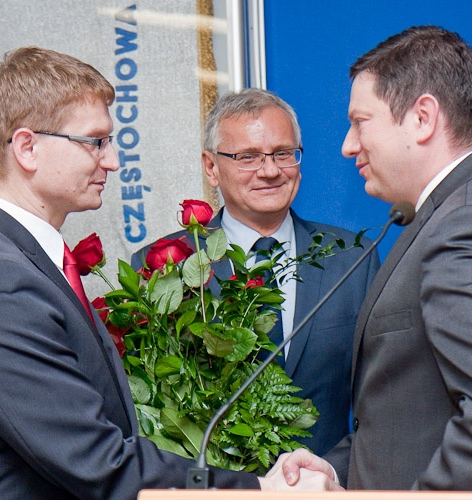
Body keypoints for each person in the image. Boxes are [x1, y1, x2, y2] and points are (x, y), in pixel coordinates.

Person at [0, 47, 340, 499]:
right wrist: (259, 489)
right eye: (95, 141)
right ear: (27, 148)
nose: (112, 160)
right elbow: (98, 462)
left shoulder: (19, 263)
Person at [282, 25, 472, 491]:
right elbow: (416, 415)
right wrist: (338, 470)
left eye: (360, 122)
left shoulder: (471, 224)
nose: (348, 145)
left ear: (422, 118)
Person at [131, 88, 380, 456]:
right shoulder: (164, 265)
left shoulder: (352, 258)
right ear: (211, 168)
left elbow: (381, 401)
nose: (270, 171)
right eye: (247, 157)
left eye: (283, 153)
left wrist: (332, 472)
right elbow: (150, 406)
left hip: (327, 480)